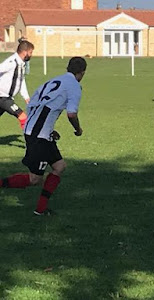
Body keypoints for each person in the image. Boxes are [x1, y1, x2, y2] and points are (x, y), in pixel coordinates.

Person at [0, 57, 87, 216]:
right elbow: (71, 113)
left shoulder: (52, 81)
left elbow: (34, 104)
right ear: (82, 73)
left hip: (39, 132)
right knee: (35, 179)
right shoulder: (74, 86)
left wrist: (47, 129)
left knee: (59, 166)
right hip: (38, 136)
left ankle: (40, 209)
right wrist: (78, 129)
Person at [0, 40, 34, 130]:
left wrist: (26, 97)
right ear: (24, 52)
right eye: (30, 52)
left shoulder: (21, 64)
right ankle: (31, 143)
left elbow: (21, 80)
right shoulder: (12, 62)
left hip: (7, 98)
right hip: (3, 98)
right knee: (23, 117)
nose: (31, 55)